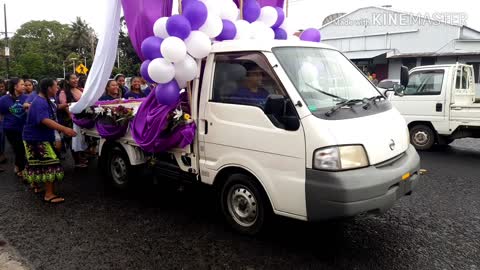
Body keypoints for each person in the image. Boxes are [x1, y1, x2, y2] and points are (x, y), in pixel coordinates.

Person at [23, 78, 77, 203]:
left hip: (36, 137)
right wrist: (64, 129)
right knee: (50, 163)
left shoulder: (45, 100)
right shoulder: (39, 102)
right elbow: (45, 120)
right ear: (48, 88)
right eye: (55, 86)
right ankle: (49, 194)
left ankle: (35, 186)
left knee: (36, 162)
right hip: (36, 138)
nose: (57, 89)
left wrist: (66, 105)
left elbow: (54, 107)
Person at [57, 73, 88, 167]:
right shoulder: (63, 93)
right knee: (73, 139)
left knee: (82, 137)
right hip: (71, 119)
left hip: (81, 117)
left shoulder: (80, 89)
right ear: (67, 81)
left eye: (76, 78)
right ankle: (77, 160)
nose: (75, 80)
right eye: (73, 79)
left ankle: (81, 156)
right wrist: (71, 117)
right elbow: (65, 106)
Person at [0, 78, 28, 178]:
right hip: (10, 129)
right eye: (22, 84)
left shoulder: (27, 98)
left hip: (24, 128)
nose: (24, 86)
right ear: (15, 87)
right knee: (19, 148)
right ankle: (21, 169)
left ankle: (17, 165)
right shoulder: (3, 99)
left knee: (21, 149)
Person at [0, 79, 6, 172]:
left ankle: (1, 155)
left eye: (2, 86)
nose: (1, 88)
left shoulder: (4, 96)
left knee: (1, 138)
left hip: (2, 121)